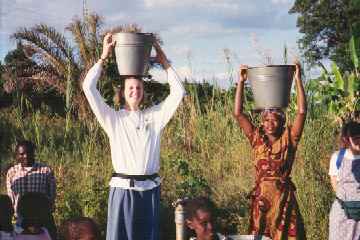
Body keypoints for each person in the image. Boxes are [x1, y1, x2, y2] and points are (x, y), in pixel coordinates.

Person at [82, 33, 185, 240]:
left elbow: (178, 93)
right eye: (130, 87)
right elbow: (88, 88)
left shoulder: (155, 116)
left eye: (138, 88)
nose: (135, 91)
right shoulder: (112, 118)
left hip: (150, 192)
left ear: (143, 92)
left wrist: (164, 61)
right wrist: (104, 56)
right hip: (123, 192)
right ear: (123, 92)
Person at [233, 63, 307, 239]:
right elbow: (238, 114)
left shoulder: (290, 139)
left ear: (282, 123)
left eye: (274, 120)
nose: (269, 124)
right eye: (266, 120)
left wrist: (297, 79)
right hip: (261, 202)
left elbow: (302, 112)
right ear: (262, 123)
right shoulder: (256, 139)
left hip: (283, 201)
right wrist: (241, 81)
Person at [6, 140, 57, 239]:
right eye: (21, 154)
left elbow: (52, 195)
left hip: (43, 218)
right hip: (21, 220)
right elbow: (10, 197)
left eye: (29, 152)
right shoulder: (12, 172)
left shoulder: (45, 170)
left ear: (34, 152)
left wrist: (47, 211)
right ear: (16, 155)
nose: (25, 156)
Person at [329, 121, 360, 240]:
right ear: (346, 140)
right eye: (356, 138)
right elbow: (334, 183)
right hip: (342, 213)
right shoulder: (337, 157)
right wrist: (348, 202)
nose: (359, 141)